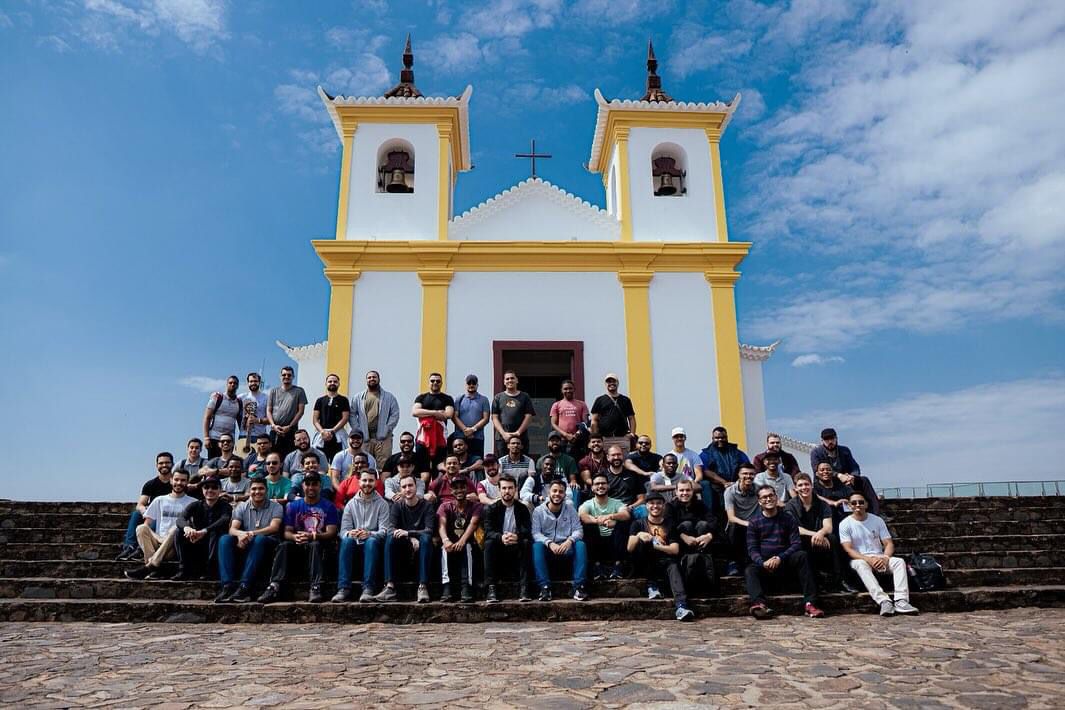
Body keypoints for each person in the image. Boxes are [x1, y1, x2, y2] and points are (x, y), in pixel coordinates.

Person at [745, 485, 825, 619]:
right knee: (750, 570)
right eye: (764, 497)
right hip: (765, 565)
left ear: (776, 498)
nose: (768, 499)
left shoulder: (788, 518)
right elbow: (752, 549)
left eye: (771, 496)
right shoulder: (754, 522)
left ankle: (810, 603)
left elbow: (796, 544)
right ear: (759, 501)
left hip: (785, 561)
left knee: (802, 556)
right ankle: (759, 604)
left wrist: (779, 558)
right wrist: (763, 562)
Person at [258, 472, 338, 604]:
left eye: (314, 484)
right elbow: (287, 532)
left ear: (320, 486)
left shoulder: (328, 506)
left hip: (319, 545)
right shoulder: (293, 506)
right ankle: (274, 585)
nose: (311, 487)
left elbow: (331, 532)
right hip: (298, 544)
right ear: (302, 486)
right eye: (307, 484)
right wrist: (295, 537)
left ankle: (315, 586)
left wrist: (312, 536)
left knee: (315, 544)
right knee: (284, 545)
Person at [840, 490, 919, 616]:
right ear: (849, 505)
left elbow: (888, 543)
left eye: (861, 502)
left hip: (880, 556)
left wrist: (885, 557)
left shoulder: (877, 520)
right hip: (860, 559)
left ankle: (901, 600)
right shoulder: (845, 524)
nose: (857, 505)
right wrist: (869, 560)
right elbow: (848, 549)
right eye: (854, 503)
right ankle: (883, 601)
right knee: (860, 564)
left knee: (899, 562)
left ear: (866, 504)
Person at [627, 492, 695, 621]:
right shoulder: (638, 524)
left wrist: (654, 543)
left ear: (663, 506)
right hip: (644, 562)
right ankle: (652, 585)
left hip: (665, 562)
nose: (655, 506)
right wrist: (640, 535)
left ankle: (681, 606)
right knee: (644, 543)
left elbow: (675, 550)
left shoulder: (670, 524)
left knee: (674, 565)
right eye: (652, 503)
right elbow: (630, 548)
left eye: (658, 503)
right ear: (646, 506)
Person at [215, 477, 284, 603]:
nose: (257, 492)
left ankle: (244, 587)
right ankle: (227, 586)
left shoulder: (276, 506)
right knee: (224, 539)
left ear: (266, 490)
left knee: (260, 539)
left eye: (261, 489)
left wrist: (250, 534)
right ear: (249, 490)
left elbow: (274, 527)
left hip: (269, 543)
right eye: (254, 489)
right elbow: (232, 529)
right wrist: (241, 535)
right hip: (248, 541)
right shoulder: (242, 506)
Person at [785, 472, 852, 593]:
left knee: (833, 539)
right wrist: (815, 534)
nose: (804, 487)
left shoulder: (823, 504)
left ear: (811, 486)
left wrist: (821, 533)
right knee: (800, 543)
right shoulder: (790, 506)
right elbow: (795, 528)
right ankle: (815, 582)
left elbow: (828, 527)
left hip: (821, 537)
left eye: (806, 484)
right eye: (800, 485)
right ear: (795, 488)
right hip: (802, 539)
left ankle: (840, 580)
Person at [333, 468, 392, 603]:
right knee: (346, 541)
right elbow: (343, 531)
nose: (367, 483)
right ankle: (343, 588)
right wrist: (350, 533)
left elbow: (384, 531)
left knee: (371, 541)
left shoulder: (382, 504)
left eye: (371, 480)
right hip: (355, 541)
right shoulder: (350, 504)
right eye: (364, 480)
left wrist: (369, 533)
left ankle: (368, 588)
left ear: (376, 482)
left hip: (373, 542)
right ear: (359, 482)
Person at [377, 470, 435, 602]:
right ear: (400, 489)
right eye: (404, 487)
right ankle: (390, 587)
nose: (407, 489)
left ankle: (423, 586)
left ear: (416, 487)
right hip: (404, 545)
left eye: (410, 485)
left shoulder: (427, 506)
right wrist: (410, 537)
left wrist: (409, 533)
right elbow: (391, 529)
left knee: (426, 538)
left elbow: (429, 530)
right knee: (390, 537)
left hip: (422, 545)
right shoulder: (397, 506)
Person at [125, 469, 196, 579]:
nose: (179, 483)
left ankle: (150, 567)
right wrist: (159, 538)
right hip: (158, 542)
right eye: (176, 479)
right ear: (171, 481)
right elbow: (147, 524)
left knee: (176, 528)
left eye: (183, 480)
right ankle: (154, 567)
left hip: (175, 546)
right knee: (141, 528)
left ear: (187, 483)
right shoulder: (160, 500)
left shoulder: (193, 502)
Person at [531, 480, 588, 601]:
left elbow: (579, 530)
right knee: (536, 546)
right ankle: (544, 587)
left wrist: (569, 541)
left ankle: (579, 587)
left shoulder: (570, 509)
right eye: (554, 491)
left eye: (561, 492)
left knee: (580, 545)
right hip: (548, 548)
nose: (557, 494)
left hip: (566, 547)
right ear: (548, 493)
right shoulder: (538, 511)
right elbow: (535, 533)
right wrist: (549, 543)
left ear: (564, 495)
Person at [483, 474, 533, 603]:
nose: (507, 491)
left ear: (515, 489)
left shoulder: (522, 508)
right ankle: (491, 588)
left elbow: (527, 530)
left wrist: (517, 536)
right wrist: (501, 537)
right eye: (504, 488)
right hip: (499, 546)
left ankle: (524, 588)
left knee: (526, 542)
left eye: (510, 488)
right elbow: (488, 532)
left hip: (516, 545)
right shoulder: (491, 509)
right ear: (499, 490)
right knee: (489, 543)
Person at [172, 476, 232, 580]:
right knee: (178, 531)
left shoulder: (225, 506)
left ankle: (211, 571)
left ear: (220, 490)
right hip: (197, 543)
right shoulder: (195, 505)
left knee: (216, 532)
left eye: (214, 487)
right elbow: (180, 519)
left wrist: (204, 531)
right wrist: (187, 528)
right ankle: (183, 569)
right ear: (202, 490)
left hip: (215, 546)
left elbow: (224, 520)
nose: (210, 490)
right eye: (206, 487)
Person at [117, 452, 173, 560]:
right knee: (136, 514)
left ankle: (140, 549)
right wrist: (144, 510)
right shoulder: (150, 484)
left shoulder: (176, 483)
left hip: (167, 515)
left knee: (154, 517)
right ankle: (130, 546)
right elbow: (140, 504)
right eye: (161, 463)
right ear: (157, 465)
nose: (164, 465)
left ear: (172, 464)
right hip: (152, 513)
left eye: (167, 463)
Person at [810, 428, 879, 514]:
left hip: (846, 480)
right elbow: (817, 470)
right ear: (822, 441)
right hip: (827, 481)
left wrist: (852, 477)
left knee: (864, 480)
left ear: (836, 438)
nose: (830, 441)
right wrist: (838, 475)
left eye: (832, 438)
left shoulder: (844, 450)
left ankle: (876, 513)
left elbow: (854, 466)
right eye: (826, 439)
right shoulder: (816, 452)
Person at [669, 478, 718, 597]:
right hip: (683, 546)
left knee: (703, 524)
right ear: (676, 492)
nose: (684, 493)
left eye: (687, 490)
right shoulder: (670, 507)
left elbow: (713, 521)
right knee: (686, 525)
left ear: (692, 491)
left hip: (701, 543)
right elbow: (669, 526)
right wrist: (683, 536)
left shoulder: (700, 505)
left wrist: (709, 536)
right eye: (681, 490)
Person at [578, 473, 631, 580]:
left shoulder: (617, 503)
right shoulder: (587, 504)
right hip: (596, 542)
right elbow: (583, 516)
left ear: (608, 486)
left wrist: (611, 517)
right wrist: (599, 521)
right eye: (597, 484)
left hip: (615, 542)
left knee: (622, 523)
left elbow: (626, 514)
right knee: (588, 526)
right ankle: (597, 566)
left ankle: (618, 565)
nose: (600, 486)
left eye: (603, 483)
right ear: (592, 488)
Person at [437, 477, 481, 602]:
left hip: (468, 544)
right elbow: (441, 524)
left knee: (467, 547)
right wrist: (445, 540)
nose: (459, 490)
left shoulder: (475, 506)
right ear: (451, 490)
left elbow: (473, 523)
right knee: (443, 548)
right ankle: (446, 586)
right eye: (456, 488)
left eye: (462, 487)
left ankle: (466, 586)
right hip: (450, 543)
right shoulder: (445, 506)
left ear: (467, 488)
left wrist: (462, 540)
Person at [351, 370, 401, 464]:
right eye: (369, 377)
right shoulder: (358, 397)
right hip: (365, 438)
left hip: (383, 438)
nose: (372, 379)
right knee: (363, 465)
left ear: (379, 379)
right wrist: (357, 429)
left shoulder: (389, 397)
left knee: (383, 465)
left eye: (374, 377)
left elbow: (395, 414)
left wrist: (387, 428)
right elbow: (352, 414)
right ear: (366, 380)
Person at [699, 426, 750, 510]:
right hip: (716, 487)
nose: (720, 440)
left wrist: (737, 482)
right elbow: (706, 471)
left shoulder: (737, 452)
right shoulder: (705, 454)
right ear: (712, 438)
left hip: (736, 485)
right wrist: (724, 482)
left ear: (727, 437)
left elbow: (746, 467)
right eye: (717, 438)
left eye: (723, 437)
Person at [723, 464, 760, 576]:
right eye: (745, 473)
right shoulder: (730, 491)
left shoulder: (759, 489)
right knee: (734, 527)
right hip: (738, 523)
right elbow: (731, 517)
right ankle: (733, 562)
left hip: (756, 523)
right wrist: (748, 523)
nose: (748, 476)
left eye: (751, 474)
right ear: (738, 475)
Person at [411, 372, 455, 467]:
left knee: (438, 468)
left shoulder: (447, 398)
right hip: (422, 438)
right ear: (428, 382)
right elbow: (415, 412)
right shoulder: (421, 397)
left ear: (441, 383)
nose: (435, 383)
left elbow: (448, 414)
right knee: (423, 469)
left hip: (440, 438)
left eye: (438, 381)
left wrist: (424, 413)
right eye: (432, 381)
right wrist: (435, 413)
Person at [491, 371, 536, 456]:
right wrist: (503, 434)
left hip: (521, 437)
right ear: (504, 382)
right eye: (507, 379)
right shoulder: (498, 397)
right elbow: (494, 418)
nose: (510, 380)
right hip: (502, 438)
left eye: (512, 378)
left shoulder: (525, 396)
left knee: (522, 463)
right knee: (503, 463)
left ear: (517, 380)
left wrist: (518, 432)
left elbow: (529, 416)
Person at [267, 366, 308, 460]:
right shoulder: (273, 391)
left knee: (289, 457)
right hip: (275, 430)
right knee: (273, 457)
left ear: (293, 376)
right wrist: (273, 425)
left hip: (291, 431)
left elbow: (301, 411)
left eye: (289, 375)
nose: (286, 377)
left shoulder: (299, 391)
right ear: (280, 376)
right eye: (284, 375)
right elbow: (269, 410)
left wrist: (289, 426)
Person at [590, 373, 636, 455]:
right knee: (606, 461)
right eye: (609, 382)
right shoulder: (600, 400)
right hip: (605, 437)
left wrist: (632, 434)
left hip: (622, 437)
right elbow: (594, 420)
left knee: (623, 461)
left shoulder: (625, 400)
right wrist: (596, 436)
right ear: (605, 384)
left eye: (613, 381)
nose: (611, 383)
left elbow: (631, 418)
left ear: (617, 383)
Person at [311, 373, 351, 462]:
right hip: (322, 436)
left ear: (339, 384)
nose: (332, 383)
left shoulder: (343, 400)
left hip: (338, 436)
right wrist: (322, 432)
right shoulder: (320, 400)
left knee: (338, 462)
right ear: (326, 384)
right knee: (319, 462)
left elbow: (345, 418)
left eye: (335, 381)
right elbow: (315, 419)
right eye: (330, 381)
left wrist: (332, 431)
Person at [453, 374, 492, 458]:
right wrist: (465, 430)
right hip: (460, 438)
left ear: (477, 385)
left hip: (477, 437)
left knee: (477, 461)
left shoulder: (484, 399)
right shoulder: (459, 399)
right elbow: (454, 417)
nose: (471, 385)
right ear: (465, 385)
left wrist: (473, 429)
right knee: (459, 462)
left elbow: (486, 418)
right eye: (469, 383)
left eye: (473, 383)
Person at [202, 375, 242, 458]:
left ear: (238, 386)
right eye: (230, 383)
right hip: (214, 438)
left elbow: (240, 423)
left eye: (235, 383)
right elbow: (207, 417)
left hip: (229, 440)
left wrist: (240, 441)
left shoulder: (239, 402)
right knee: (213, 464)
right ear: (226, 384)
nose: (232, 384)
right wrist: (206, 437)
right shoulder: (217, 398)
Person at [549, 379, 589, 458]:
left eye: (570, 388)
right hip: (562, 440)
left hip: (578, 440)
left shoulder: (582, 404)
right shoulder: (556, 405)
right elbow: (553, 424)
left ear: (574, 389)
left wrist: (577, 434)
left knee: (578, 463)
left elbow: (586, 422)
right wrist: (566, 435)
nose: (568, 390)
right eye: (565, 389)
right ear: (561, 390)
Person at [604, 445, 645, 514]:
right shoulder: (602, 476)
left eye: (619, 454)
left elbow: (642, 498)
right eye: (613, 455)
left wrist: (631, 507)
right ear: (608, 457)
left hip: (631, 509)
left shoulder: (633, 475)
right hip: (610, 510)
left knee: (643, 509)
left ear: (623, 456)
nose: (616, 457)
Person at [813, 461, 856, 526]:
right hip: (827, 523)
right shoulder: (815, 488)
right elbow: (815, 497)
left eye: (828, 470)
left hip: (847, 521)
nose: (825, 472)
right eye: (822, 470)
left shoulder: (842, 486)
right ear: (817, 473)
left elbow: (854, 497)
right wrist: (834, 503)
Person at [239, 372, 270, 453]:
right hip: (243, 436)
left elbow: (271, 419)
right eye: (251, 381)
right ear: (248, 383)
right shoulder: (241, 397)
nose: (253, 383)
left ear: (259, 382)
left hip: (259, 437)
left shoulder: (266, 398)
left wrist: (258, 420)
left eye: (255, 381)